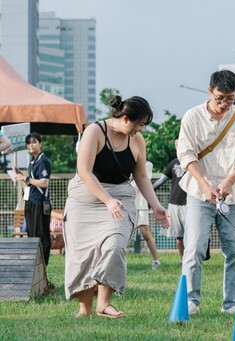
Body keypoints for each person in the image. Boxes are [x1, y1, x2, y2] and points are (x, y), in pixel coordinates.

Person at [64, 95, 169, 319]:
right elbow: (84, 171)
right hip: (86, 196)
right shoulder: (95, 131)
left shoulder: (137, 140)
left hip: (120, 195)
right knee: (83, 252)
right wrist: (107, 200)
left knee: (115, 244)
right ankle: (85, 309)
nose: (141, 128)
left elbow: (141, 175)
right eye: (139, 123)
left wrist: (156, 206)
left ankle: (104, 303)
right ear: (124, 118)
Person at [178, 69, 235, 315]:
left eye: (231, 99)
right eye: (220, 98)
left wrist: (227, 183)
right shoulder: (192, 117)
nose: (225, 104)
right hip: (198, 192)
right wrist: (206, 185)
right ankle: (191, 301)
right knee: (194, 248)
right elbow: (186, 154)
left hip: (232, 194)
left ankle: (231, 304)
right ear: (210, 91)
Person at [15, 133, 51, 265]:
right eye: (28, 143)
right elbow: (31, 183)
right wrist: (21, 175)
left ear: (41, 143)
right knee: (32, 235)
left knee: (42, 236)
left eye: (34, 142)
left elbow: (44, 183)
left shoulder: (43, 161)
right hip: (30, 201)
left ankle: (42, 268)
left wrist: (26, 178)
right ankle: (34, 266)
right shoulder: (32, 162)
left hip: (40, 203)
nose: (31, 145)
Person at [153, 134, 187, 262]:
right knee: (179, 236)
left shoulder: (193, 162)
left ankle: (192, 259)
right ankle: (183, 260)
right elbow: (161, 181)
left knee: (191, 235)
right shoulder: (173, 163)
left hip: (189, 204)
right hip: (174, 203)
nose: (179, 148)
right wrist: (147, 190)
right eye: (176, 145)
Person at [133, 160, 160, 270]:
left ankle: (156, 261)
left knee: (145, 233)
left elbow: (143, 182)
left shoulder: (147, 165)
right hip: (127, 203)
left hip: (141, 203)